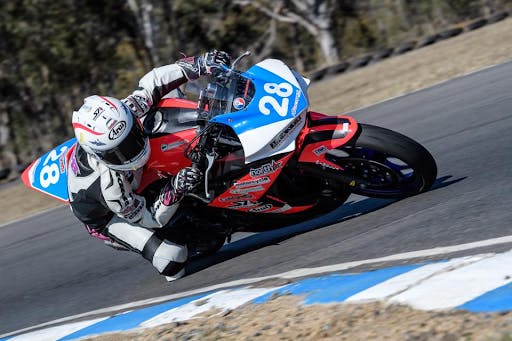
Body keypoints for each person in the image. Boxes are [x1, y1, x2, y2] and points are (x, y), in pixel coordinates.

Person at [67, 50, 231, 281]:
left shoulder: (125, 113)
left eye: (133, 135)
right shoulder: (111, 188)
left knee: (169, 95)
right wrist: (176, 187)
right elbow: (150, 217)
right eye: (120, 152)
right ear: (103, 156)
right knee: (172, 261)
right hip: (109, 215)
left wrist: (200, 63)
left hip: (130, 175)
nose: (133, 150)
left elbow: (154, 81)